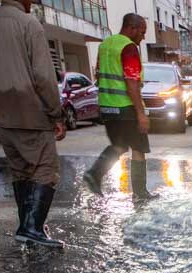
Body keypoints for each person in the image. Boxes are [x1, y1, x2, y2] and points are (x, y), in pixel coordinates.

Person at [0, 0, 67, 248]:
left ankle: (27, 226)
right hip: (32, 112)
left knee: (21, 170)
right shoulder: (28, 23)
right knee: (45, 169)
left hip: (2, 114)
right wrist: (56, 114)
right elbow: (43, 75)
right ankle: (32, 227)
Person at [83, 14, 154, 200]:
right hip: (125, 106)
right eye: (142, 32)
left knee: (120, 145)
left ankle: (95, 174)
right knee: (138, 148)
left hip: (107, 106)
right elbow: (131, 83)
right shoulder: (128, 48)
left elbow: (98, 75)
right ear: (132, 28)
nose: (143, 37)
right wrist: (140, 113)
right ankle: (140, 193)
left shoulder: (105, 45)